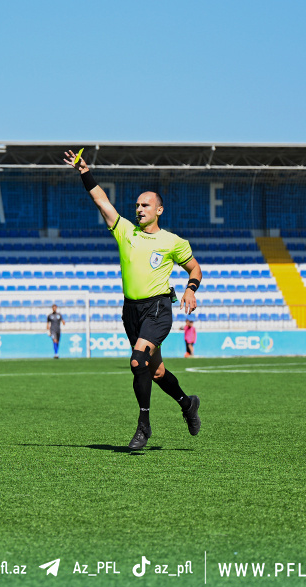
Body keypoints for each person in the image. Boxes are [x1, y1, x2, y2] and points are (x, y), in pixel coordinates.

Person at [65, 149, 203, 450]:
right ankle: (187, 403)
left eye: (145, 205)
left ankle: (144, 426)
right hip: (131, 311)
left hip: (158, 308)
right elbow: (101, 201)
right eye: (137, 205)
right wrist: (84, 171)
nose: (139, 209)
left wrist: (191, 288)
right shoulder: (125, 231)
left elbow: (194, 268)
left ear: (159, 211)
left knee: (136, 361)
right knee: (155, 371)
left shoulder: (172, 242)